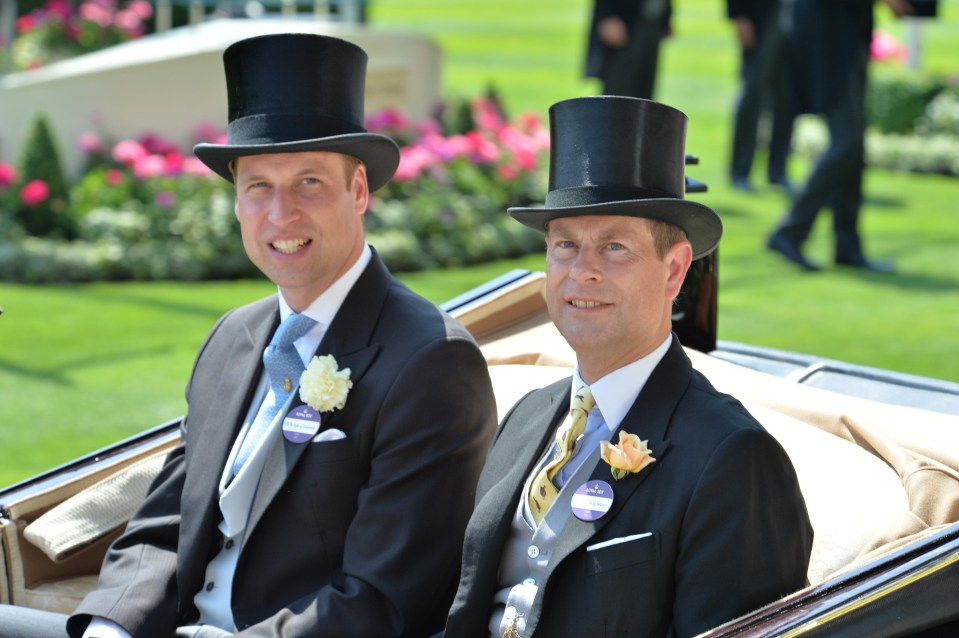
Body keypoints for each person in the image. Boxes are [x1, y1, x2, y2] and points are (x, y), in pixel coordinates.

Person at [0, 33, 497, 638]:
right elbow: (164, 527)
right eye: (258, 185)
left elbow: (380, 603)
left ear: (360, 190)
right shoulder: (234, 337)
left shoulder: (431, 362)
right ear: (236, 200)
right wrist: (112, 629)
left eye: (309, 182)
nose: (280, 213)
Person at [441, 96, 813, 637]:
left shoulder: (732, 458)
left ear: (675, 270)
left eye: (614, 247)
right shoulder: (528, 416)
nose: (582, 271)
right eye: (565, 244)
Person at [766, 0, 911, 271]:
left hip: (846, 37)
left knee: (853, 147)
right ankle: (790, 231)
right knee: (848, 141)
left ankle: (847, 245)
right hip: (828, 44)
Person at [726, 0, 795, 193]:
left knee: (787, 97)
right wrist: (739, 15)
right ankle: (740, 171)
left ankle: (778, 171)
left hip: (794, 17)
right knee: (753, 94)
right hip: (760, 18)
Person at [584, 0, 672, 99]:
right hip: (624, 22)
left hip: (653, 22)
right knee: (618, 94)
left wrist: (666, 15)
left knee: (644, 97)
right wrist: (607, 14)